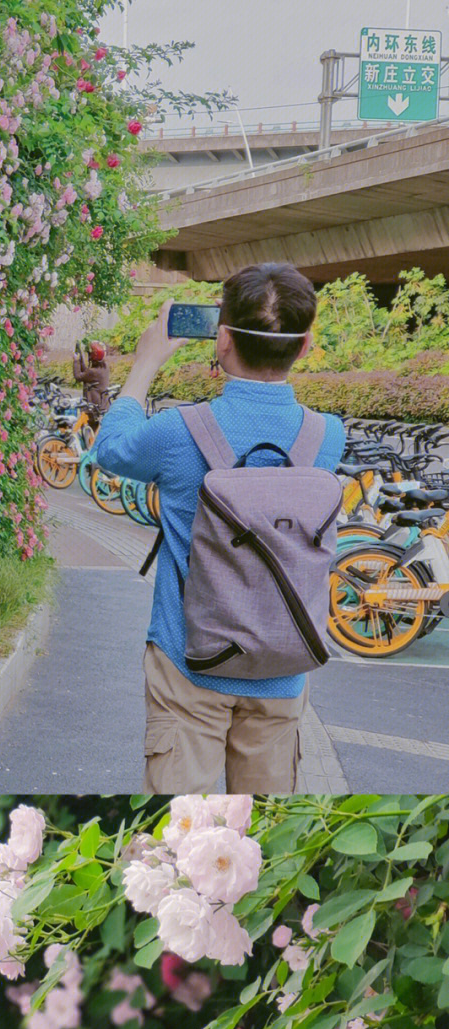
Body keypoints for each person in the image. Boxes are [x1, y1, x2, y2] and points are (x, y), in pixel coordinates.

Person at [91, 262, 346, 794]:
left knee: (186, 840)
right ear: (304, 347)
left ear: (221, 339)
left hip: (189, 662)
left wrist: (145, 363)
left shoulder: (178, 431)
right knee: (263, 838)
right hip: (283, 667)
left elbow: (110, 450)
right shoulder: (326, 437)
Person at [72, 340, 111, 420]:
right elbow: (86, 372)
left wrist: (76, 361)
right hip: (103, 405)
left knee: (90, 428)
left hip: (94, 407)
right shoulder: (104, 367)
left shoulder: (93, 372)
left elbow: (78, 376)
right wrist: (81, 359)